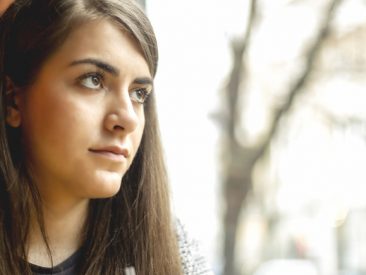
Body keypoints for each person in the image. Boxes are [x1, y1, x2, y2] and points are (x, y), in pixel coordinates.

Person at [0, 0, 212, 274]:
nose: (128, 118)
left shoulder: (176, 253)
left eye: (139, 94)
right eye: (92, 80)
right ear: (13, 100)